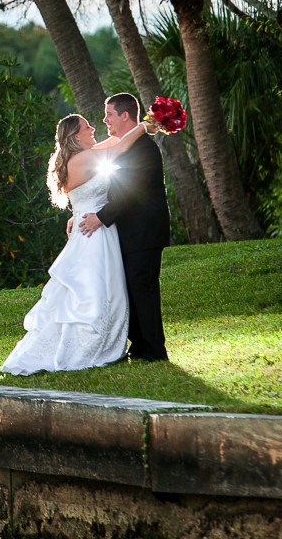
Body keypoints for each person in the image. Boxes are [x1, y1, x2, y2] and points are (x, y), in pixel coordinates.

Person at [0, 111, 155, 376]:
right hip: (94, 233)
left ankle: (109, 340)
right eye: (87, 126)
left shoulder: (80, 155)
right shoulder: (83, 158)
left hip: (90, 226)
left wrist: (142, 127)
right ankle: (89, 347)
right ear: (74, 135)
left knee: (98, 289)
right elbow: (118, 147)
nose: (93, 128)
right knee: (95, 291)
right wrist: (146, 125)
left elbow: (111, 143)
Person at [79, 93, 170, 362]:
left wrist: (100, 217)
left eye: (109, 114)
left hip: (145, 231)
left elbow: (131, 191)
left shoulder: (142, 147)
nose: (105, 120)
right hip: (131, 230)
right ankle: (141, 344)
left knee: (143, 288)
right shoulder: (126, 144)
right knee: (132, 288)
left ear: (125, 115)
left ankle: (154, 349)